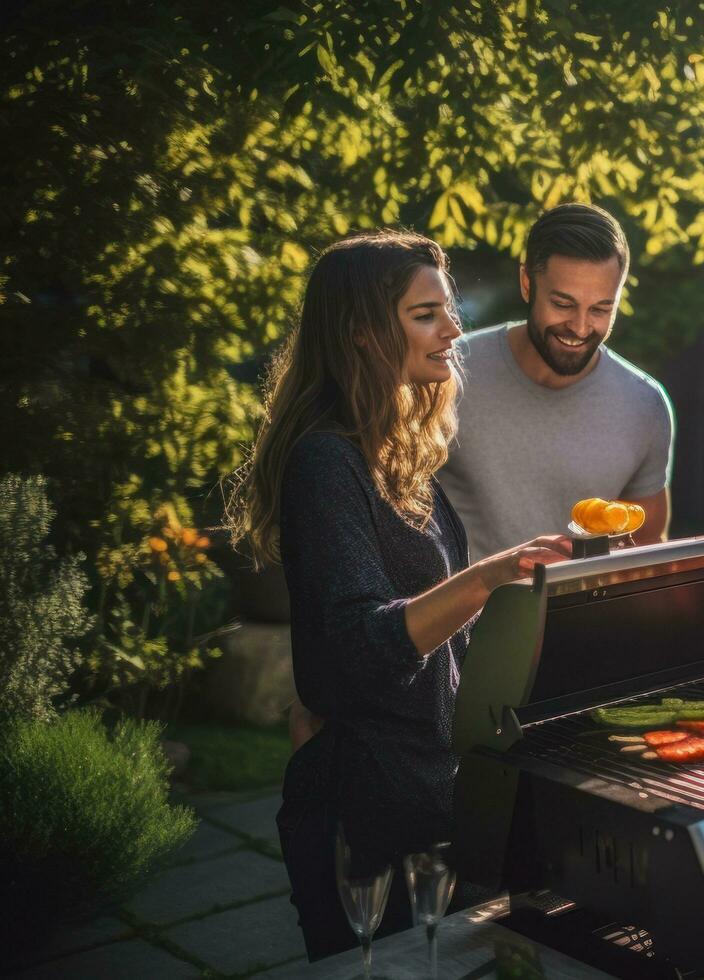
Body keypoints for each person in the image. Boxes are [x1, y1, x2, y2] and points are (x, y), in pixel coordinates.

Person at [226, 230, 572, 960]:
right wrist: (487, 576)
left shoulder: (402, 459)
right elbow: (355, 648)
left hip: (429, 790)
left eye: (446, 311)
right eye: (426, 314)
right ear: (360, 332)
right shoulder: (326, 462)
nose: (453, 330)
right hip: (367, 812)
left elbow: (443, 643)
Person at [438, 203, 674, 559]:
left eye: (600, 309)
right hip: (459, 614)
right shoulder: (445, 372)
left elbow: (647, 549)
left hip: (580, 614)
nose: (580, 328)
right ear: (526, 283)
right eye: (563, 304)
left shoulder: (645, 405)